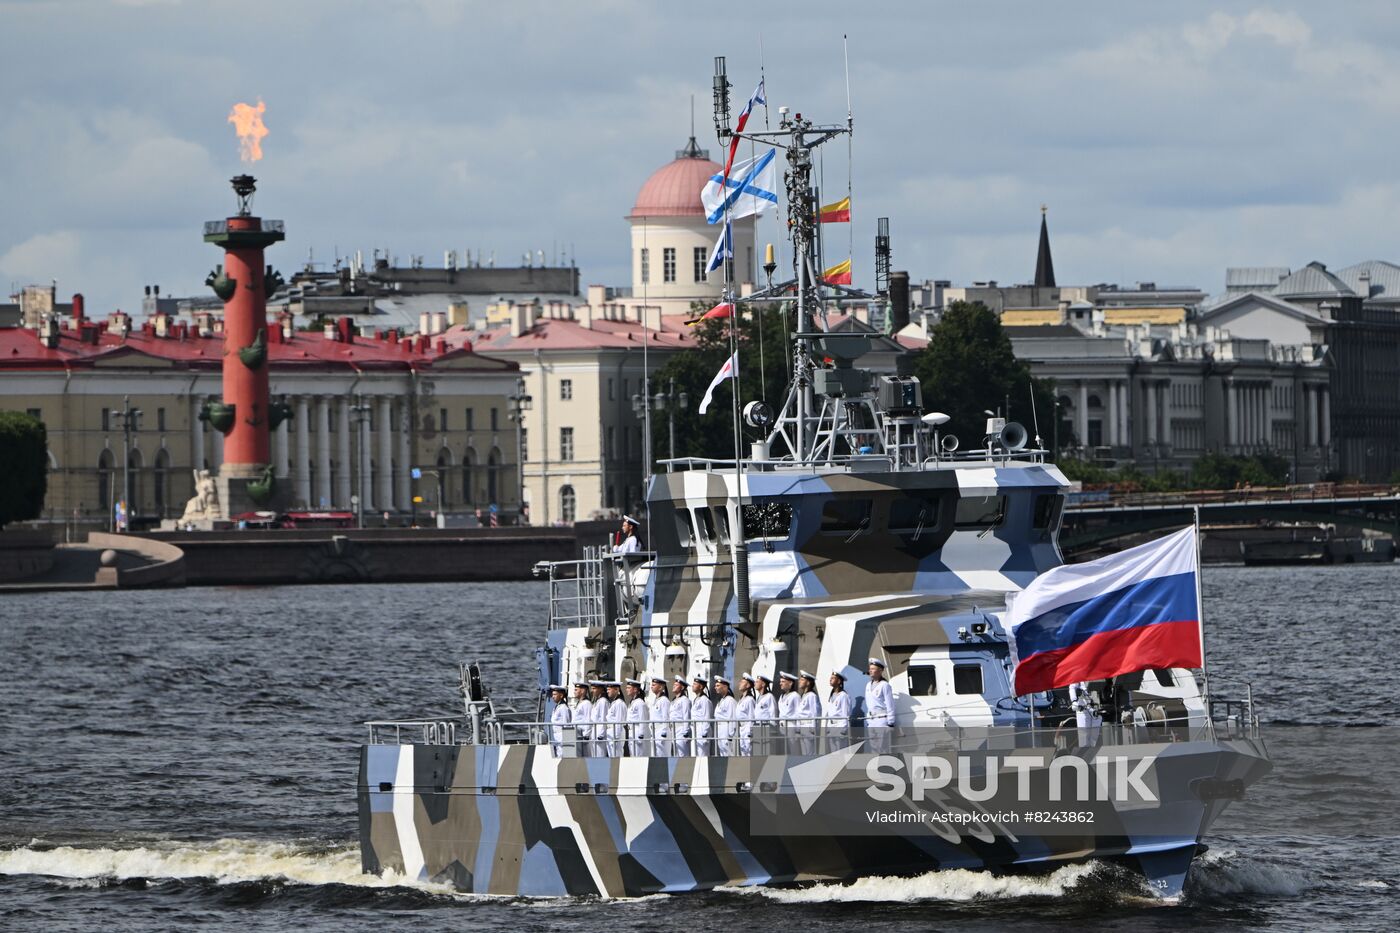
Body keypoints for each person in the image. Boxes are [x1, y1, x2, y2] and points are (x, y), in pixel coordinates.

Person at [864, 658, 896, 753]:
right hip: (871, 719)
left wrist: (890, 723)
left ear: (880, 670)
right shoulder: (868, 685)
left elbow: (890, 704)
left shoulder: (884, 685)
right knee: (873, 747)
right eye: (870, 668)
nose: (870, 670)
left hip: (881, 719)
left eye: (873, 668)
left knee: (882, 747)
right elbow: (869, 704)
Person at [825, 670, 852, 750]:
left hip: (839, 727)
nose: (830, 679)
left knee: (840, 753)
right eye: (830, 678)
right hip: (832, 727)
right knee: (833, 753)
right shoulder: (832, 695)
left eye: (833, 678)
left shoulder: (843, 696)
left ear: (839, 681)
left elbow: (845, 714)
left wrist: (843, 730)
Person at [796, 670, 821, 756]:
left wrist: (813, 729)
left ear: (808, 683)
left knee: (810, 753)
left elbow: (814, 713)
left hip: (808, 728)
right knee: (804, 753)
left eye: (802, 680)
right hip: (803, 727)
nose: (800, 681)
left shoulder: (811, 696)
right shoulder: (804, 695)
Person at [713, 675, 737, 756]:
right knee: (722, 753)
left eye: (718, 685)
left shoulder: (730, 700)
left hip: (726, 730)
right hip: (720, 729)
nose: (715, 687)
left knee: (728, 754)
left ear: (725, 687)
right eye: (715, 686)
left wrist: (730, 736)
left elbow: (732, 718)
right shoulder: (722, 700)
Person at [753, 673, 777, 755]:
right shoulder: (759, 697)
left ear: (763, 684)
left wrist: (772, 730)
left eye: (757, 681)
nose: (755, 683)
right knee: (758, 752)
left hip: (766, 728)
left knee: (766, 752)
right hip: (758, 728)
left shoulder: (769, 696)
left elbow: (773, 713)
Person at [625, 678, 650, 756]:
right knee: (633, 755)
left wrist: (641, 735)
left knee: (638, 755)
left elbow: (643, 719)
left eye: (629, 688)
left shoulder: (640, 703)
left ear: (635, 689)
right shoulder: (633, 702)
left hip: (637, 731)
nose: (626, 689)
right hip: (631, 731)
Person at [648, 676, 672, 757]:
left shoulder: (664, 700)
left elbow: (666, 717)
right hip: (655, 731)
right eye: (652, 684)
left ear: (661, 687)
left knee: (662, 755)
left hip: (661, 731)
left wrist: (664, 733)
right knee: (655, 756)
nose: (651, 686)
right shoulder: (656, 700)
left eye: (654, 685)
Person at [777, 671, 800, 753]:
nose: (780, 683)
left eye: (783, 682)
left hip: (791, 726)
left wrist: (798, 730)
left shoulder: (795, 696)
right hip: (782, 726)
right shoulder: (781, 696)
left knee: (794, 750)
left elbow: (798, 714)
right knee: (784, 751)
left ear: (790, 683)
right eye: (780, 682)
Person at [690, 675, 713, 756]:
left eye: (695, 684)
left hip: (702, 731)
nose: (693, 685)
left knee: (702, 755)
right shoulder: (697, 699)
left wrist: (704, 735)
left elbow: (707, 717)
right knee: (695, 755)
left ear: (701, 687)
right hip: (696, 730)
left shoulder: (704, 700)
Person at [669, 676, 692, 756]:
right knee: (676, 754)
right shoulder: (673, 701)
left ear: (682, 687)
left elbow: (687, 716)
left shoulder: (685, 700)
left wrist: (685, 732)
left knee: (683, 754)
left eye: (676, 685)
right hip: (673, 730)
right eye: (674, 684)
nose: (674, 686)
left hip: (681, 730)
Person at [735, 673, 756, 756]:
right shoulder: (741, 699)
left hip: (747, 728)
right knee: (743, 751)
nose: (740, 683)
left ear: (748, 685)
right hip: (742, 727)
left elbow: (752, 717)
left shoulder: (750, 700)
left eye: (742, 682)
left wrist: (750, 732)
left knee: (748, 752)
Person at [570, 681, 593, 756]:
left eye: (576, 690)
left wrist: (586, 736)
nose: (574, 692)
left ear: (583, 691)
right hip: (577, 735)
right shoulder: (579, 703)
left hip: (583, 736)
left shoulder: (586, 704)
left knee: (586, 757)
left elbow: (588, 720)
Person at [548, 685, 571, 756]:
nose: (553, 696)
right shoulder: (557, 706)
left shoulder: (563, 707)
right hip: (557, 734)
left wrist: (566, 737)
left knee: (562, 754)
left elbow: (566, 723)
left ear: (561, 695)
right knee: (559, 752)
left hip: (562, 734)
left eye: (555, 694)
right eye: (552, 694)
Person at [605, 681, 627, 757]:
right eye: (607, 689)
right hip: (611, 732)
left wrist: (616, 736)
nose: (607, 691)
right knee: (612, 756)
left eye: (609, 689)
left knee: (617, 756)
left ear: (616, 689)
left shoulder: (619, 703)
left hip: (616, 733)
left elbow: (619, 720)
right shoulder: (614, 703)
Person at [588, 681, 608, 756]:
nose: (592, 691)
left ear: (601, 689)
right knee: (594, 755)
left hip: (599, 731)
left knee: (600, 755)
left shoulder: (603, 701)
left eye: (594, 688)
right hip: (594, 730)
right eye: (592, 688)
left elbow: (603, 718)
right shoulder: (597, 701)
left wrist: (601, 735)